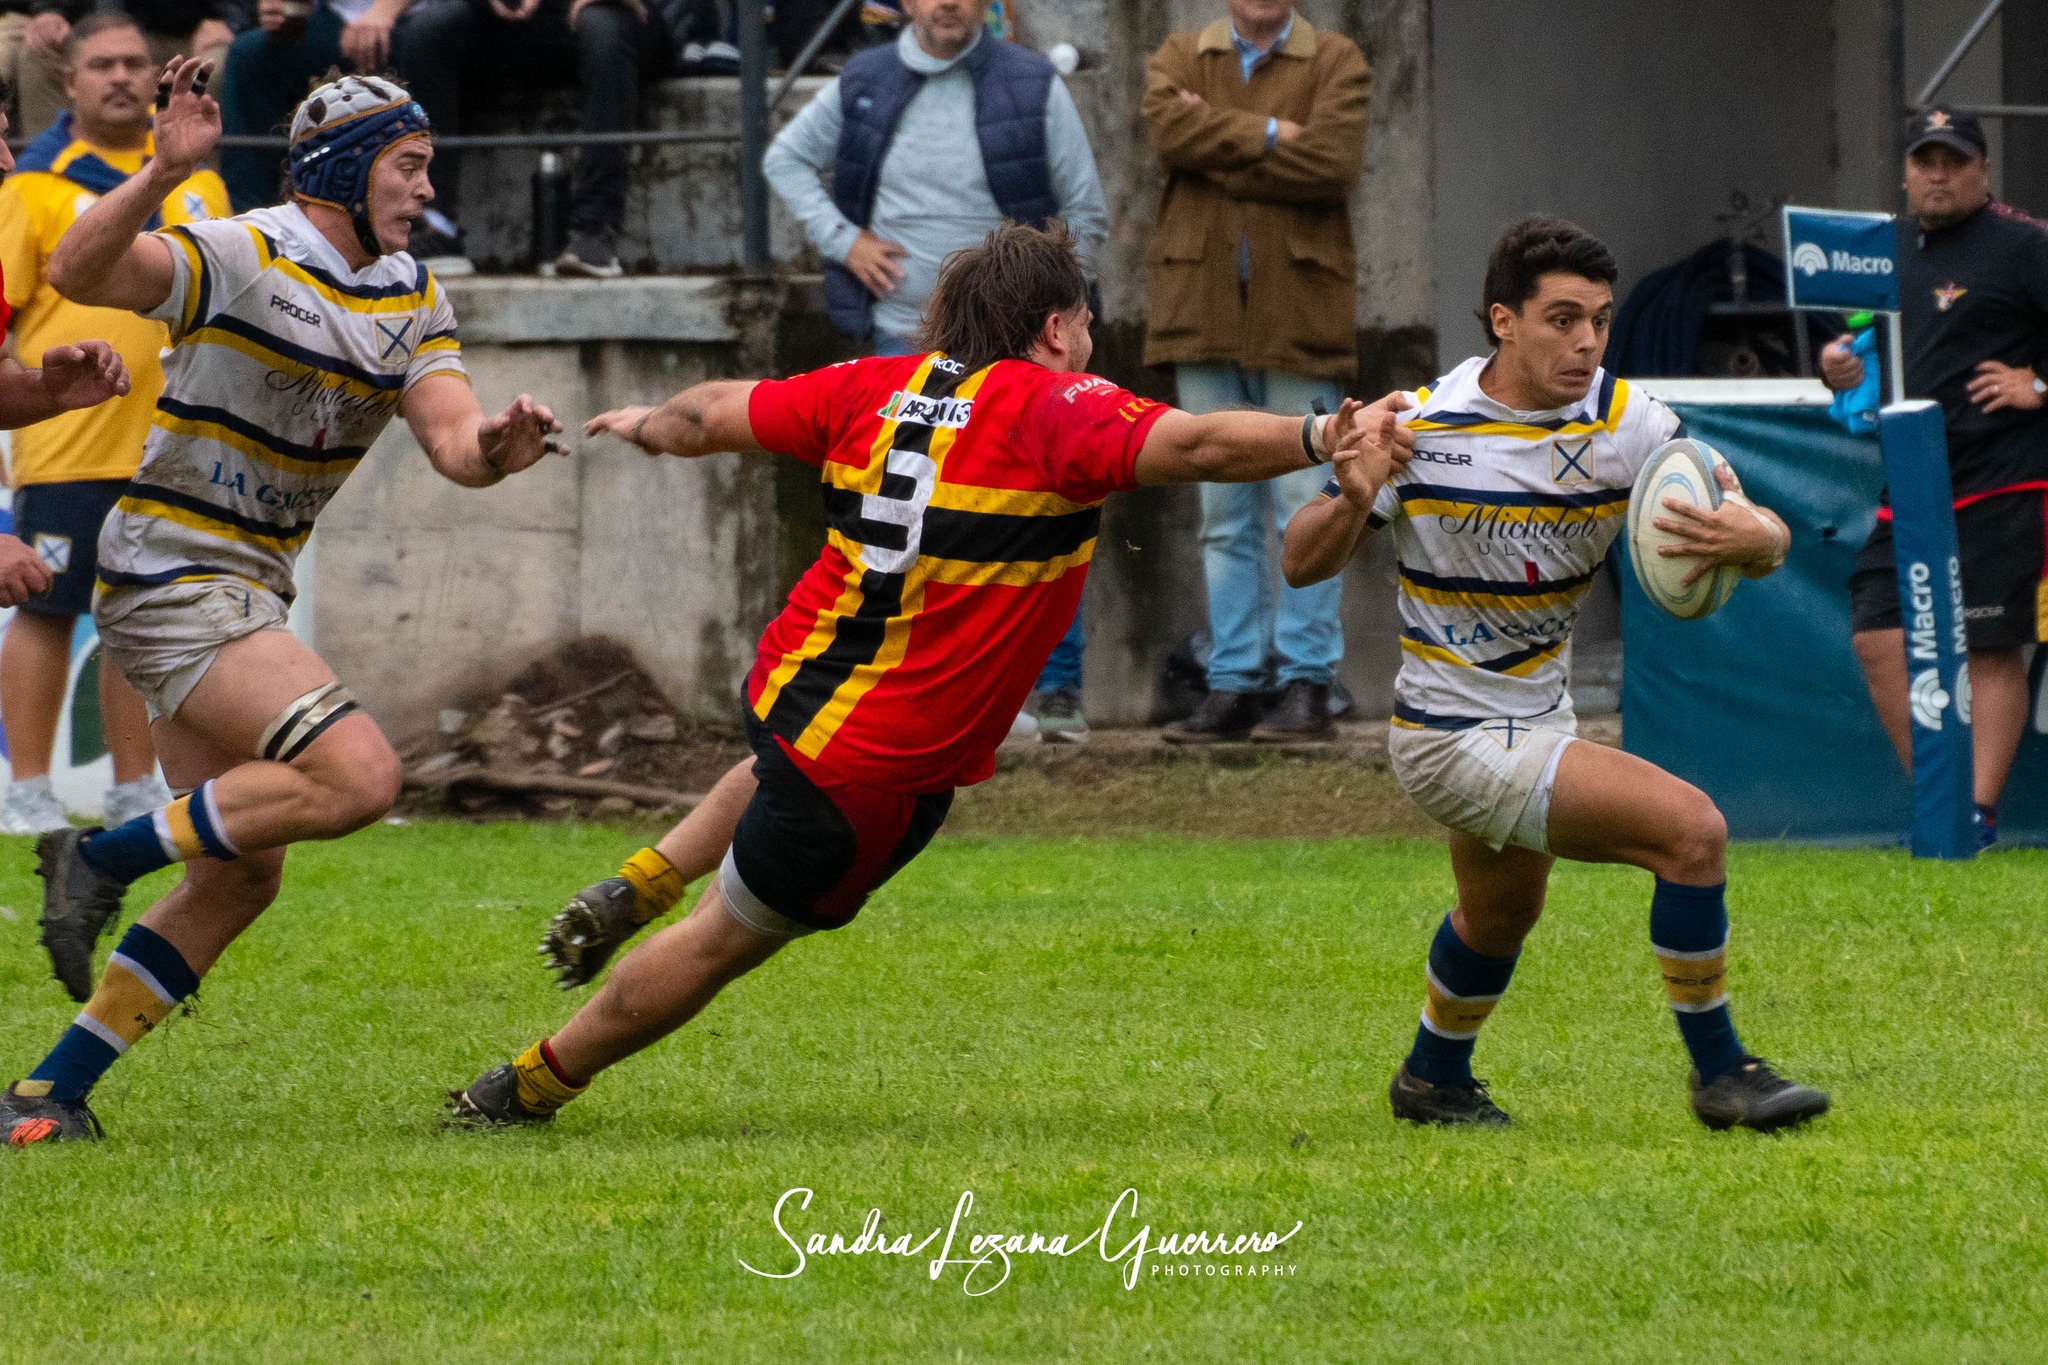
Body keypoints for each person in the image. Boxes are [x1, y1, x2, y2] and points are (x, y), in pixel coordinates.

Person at [444, 221, 1405, 1127]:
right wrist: (1320, 435)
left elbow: (711, 412)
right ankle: (526, 1084)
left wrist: (649, 422)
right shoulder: (1053, 408)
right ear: (1055, 328)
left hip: (790, 689)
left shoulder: (870, 384)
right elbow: (1194, 444)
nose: (1088, 345)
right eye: (1085, 324)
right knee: (719, 939)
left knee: (777, 771)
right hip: (872, 770)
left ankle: (644, 877)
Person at [0, 64, 565, 1147]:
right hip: (171, 571)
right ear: (347, 169)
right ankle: (101, 856)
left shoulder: (413, 294)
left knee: (239, 877)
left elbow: (455, 444)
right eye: (408, 165)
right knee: (359, 776)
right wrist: (161, 173)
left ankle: (45, 1094)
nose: (425, 187)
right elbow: (78, 268)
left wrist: (500, 445)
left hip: (244, 585)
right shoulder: (245, 250)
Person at [1283, 217, 1828, 1132]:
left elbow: (1755, 522)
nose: (1587, 343)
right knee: (1693, 832)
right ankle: (1723, 1072)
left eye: (1600, 321)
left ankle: (1432, 1078)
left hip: (1539, 717)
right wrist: (1354, 492)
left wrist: (1757, 537)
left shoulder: (1630, 422)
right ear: (1504, 320)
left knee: (1499, 915)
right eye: (1562, 319)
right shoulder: (1422, 426)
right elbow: (1299, 561)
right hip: (1448, 735)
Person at [0, 13, 229, 835]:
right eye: (103, 64)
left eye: (137, 62)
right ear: (70, 81)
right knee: (47, 607)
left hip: (171, 443)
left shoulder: (201, 183)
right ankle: (26, 790)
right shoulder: (34, 185)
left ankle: (135, 787)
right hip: (69, 445)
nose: (124, 76)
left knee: (136, 613)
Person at [1824, 107, 2048, 851]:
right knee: (1878, 635)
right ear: (1905, 172)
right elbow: (1862, 338)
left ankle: (1974, 815)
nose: (1940, 175)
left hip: (2004, 476)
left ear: (1983, 169)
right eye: (1926, 161)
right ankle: (1939, 805)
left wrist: (2037, 383)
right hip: (1913, 476)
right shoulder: (1882, 247)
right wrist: (1838, 364)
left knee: (1987, 646)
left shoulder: (2025, 244)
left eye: (1956, 161)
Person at [1145, 1, 1368, 745]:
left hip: (1300, 312)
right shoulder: (1179, 56)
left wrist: (1212, 144)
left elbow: (1333, 163)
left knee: (1308, 497)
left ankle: (1307, 681)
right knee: (1221, 511)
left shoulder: (1337, 61)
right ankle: (1234, 681)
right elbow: (1167, 135)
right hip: (1200, 309)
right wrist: (1272, 133)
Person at [761, 0, 1106, 356]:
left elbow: (1085, 210)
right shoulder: (865, 78)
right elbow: (784, 159)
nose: (948, 2)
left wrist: (1052, 315)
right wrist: (844, 242)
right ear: (907, 3)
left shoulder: (1033, 83)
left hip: (1011, 343)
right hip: (901, 336)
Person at [393, 0, 670, 278]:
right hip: (531, 22)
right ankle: (436, 227)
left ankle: (595, 229)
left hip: (620, 18)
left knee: (603, 24)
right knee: (431, 30)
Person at [0, 112, 136, 612]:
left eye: (4, 136)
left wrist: (47, 390)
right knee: (46, 618)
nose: (7, 161)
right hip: (64, 467)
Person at [217, 0, 407, 214]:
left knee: (426, 38)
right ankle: (252, 214)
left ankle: (430, 217)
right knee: (250, 53)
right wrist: (284, 6)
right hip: (334, 19)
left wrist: (384, 10)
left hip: (412, 20)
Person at [17, 0, 238, 139]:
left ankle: (198, 171)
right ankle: (46, 168)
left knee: (214, 67)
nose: (120, 78)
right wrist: (51, 10)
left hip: (194, 32)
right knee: (39, 52)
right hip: (92, 25)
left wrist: (231, 23)